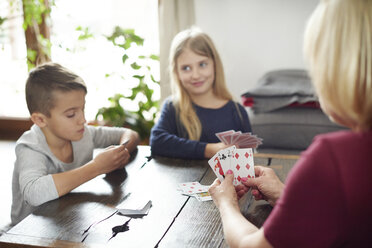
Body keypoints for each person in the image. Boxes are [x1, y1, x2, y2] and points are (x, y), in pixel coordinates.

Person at [209, 0, 372, 247]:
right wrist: (288, 196)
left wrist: (226, 204)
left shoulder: (332, 157)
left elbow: (253, 246)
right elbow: (347, 214)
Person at [11, 63, 140, 225]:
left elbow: (129, 134)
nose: (83, 120)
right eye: (71, 114)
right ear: (40, 120)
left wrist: (120, 153)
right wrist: (97, 167)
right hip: (26, 234)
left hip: (68, 220)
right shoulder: (30, 147)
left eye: (82, 109)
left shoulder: (82, 133)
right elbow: (33, 193)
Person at [150, 27, 252, 159]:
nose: (196, 75)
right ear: (176, 72)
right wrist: (207, 150)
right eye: (186, 68)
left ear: (215, 65)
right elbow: (157, 141)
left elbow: (249, 159)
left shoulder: (237, 112)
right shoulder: (173, 107)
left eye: (202, 64)